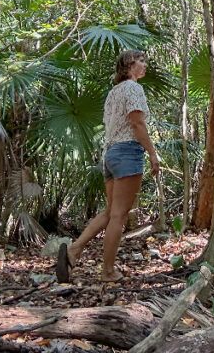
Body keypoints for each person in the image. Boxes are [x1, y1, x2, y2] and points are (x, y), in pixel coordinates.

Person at [57, 49, 160, 282]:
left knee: (109, 212)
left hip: (110, 154)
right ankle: (107, 271)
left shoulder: (114, 92)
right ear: (129, 65)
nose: (145, 65)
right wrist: (153, 154)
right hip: (127, 151)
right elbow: (137, 123)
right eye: (141, 61)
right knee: (118, 216)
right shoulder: (134, 88)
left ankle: (74, 250)